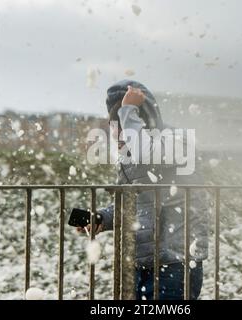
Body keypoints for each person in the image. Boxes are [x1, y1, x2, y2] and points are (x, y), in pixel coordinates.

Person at [78, 79, 210, 300]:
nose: (116, 131)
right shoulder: (132, 154)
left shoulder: (177, 140)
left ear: (141, 117)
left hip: (177, 260)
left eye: (122, 121)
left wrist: (128, 110)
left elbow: (146, 153)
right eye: (115, 123)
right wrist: (101, 218)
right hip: (142, 261)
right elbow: (131, 202)